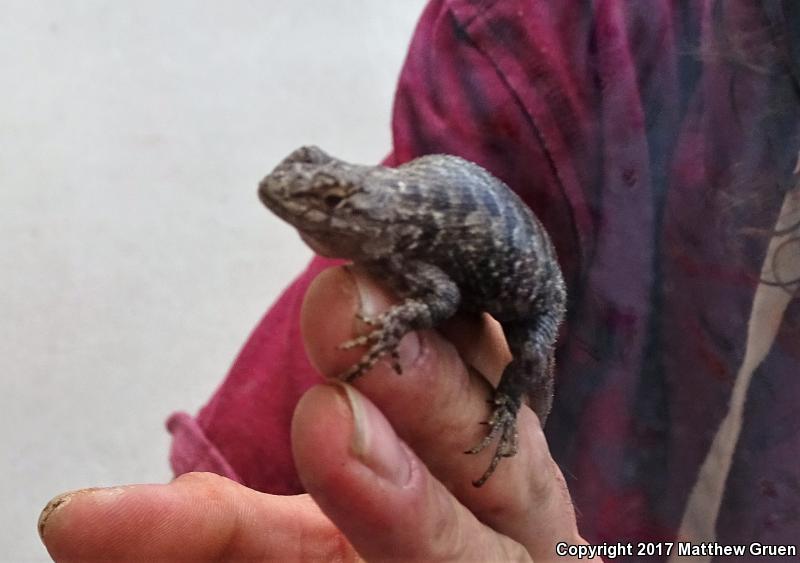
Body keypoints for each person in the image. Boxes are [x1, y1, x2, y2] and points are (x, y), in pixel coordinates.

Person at [39, 0, 799, 560]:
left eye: (328, 202)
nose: (305, 205)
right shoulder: (554, 41)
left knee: (526, 369)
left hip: (536, 313)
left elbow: (436, 300)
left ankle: (512, 414)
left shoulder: (400, 241)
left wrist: (421, 341)